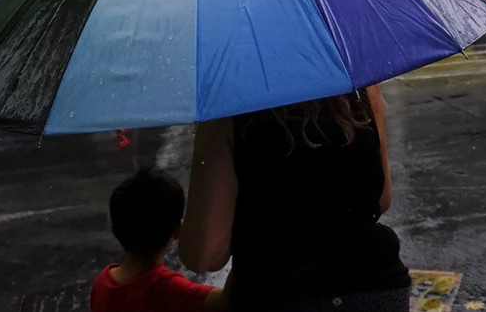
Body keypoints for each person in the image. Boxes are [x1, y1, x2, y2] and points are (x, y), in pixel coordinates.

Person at [180, 84, 411, 311]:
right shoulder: (360, 86)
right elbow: (381, 199)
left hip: (279, 293)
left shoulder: (226, 106)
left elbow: (206, 255)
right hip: (378, 286)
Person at [90, 168, 227, 312]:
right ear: (177, 231)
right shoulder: (170, 290)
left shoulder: (102, 284)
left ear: (115, 230)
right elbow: (230, 301)